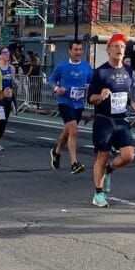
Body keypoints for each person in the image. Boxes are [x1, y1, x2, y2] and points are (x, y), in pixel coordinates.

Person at [87, 34, 135, 208]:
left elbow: (127, 92)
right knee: (102, 155)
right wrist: (100, 96)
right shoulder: (100, 72)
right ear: (108, 49)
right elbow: (91, 98)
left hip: (121, 120)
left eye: (122, 47)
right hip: (103, 120)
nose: (119, 50)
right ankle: (98, 194)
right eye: (115, 46)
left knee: (128, 156)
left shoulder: (129, 72)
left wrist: (132, 103)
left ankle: (109, 170)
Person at [48, 40, 92, 175]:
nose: (78, 52)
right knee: (73, 131)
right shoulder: (62, 66)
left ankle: (56, 151)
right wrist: (56, 88)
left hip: (79, 104)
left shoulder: (87, 67)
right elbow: (51, 79)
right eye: (76, 50)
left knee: (68, 132)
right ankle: (74, 163)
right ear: (70, 51)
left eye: (80, 50)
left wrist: (89, 86)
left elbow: (92, 81)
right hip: (65, 102)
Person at [0, 47, 18, 150]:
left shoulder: (11, 68)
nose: (7, 55)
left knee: (4, 120)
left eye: (8, 52)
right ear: (0, 55)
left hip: (8, 96)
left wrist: (16, 84)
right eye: (4, 53)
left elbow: (13, 81)